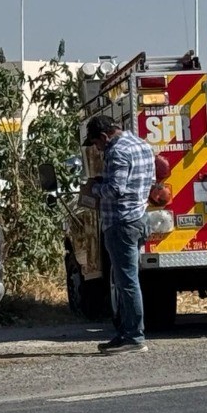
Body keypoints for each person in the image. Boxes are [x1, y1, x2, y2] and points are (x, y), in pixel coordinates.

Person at [81, 114, 155, 355]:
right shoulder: (142, 144)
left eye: (96, 143)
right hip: (140, 218)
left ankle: (134, 336)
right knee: (128, 280)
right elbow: (148, 180)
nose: (97, 148)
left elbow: (115, 189)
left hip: (121, 222)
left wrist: (93, 188)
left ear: (104, 136)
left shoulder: (117, 151)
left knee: (127, 282)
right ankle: (126, 332)